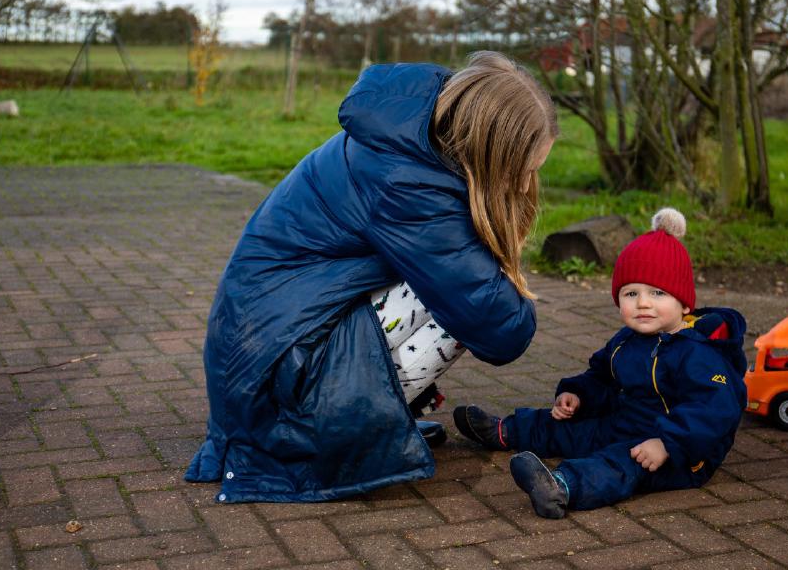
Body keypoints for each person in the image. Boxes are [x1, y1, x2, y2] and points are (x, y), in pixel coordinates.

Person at [185, 52, 558, 503]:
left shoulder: (405, 133)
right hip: (275, 392)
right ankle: (347, 429)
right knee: (462, 307)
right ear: (491, 147)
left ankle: (375, 416)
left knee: (449, 285)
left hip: (262, 355)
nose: (523, 187)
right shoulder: (407, 181)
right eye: (525, 170)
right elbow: (502, 332)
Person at [453, 208, 748, 518]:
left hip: (680, 453)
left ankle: (561, 486)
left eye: (658, 293)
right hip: (623, 423)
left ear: (685, 303)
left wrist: (667, 443)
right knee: (570, 426)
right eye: (631, 293)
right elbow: (601, 375)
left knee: (619, 464)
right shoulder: (626, 339)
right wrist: (578, 394)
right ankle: (506, 431)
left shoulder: (698, 353)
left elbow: (715, 411)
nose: (643, 303)